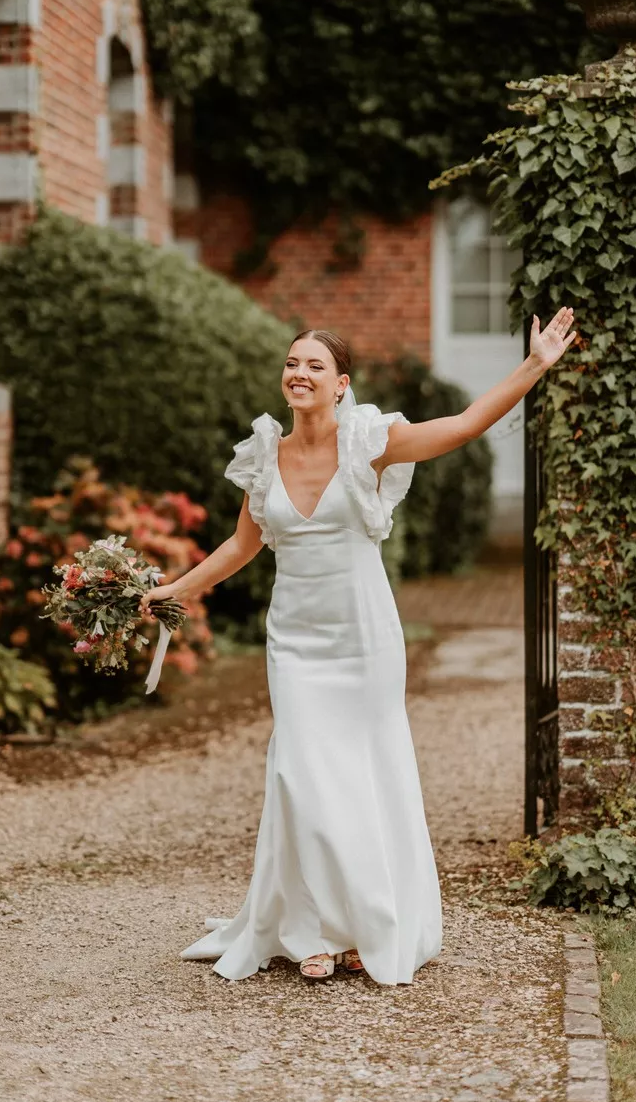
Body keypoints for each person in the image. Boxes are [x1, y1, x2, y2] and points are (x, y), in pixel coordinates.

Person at [140, 309, 576, 984]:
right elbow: (241, 545)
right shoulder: (266, 454)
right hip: (295, 639)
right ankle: (310, 928)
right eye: (292, 363)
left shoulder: (370, 441)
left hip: (363, 636)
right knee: (299, 775)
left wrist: (535, 365)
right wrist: (176, 588)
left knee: (363, 775)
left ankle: (355, 928)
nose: (299, 373)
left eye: (315, 365)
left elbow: (460, 427)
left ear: (341, 383)